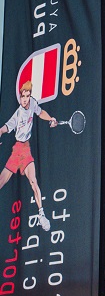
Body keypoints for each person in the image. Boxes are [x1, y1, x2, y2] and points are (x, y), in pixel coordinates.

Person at [0, 81, 60, 231]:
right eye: (23, 96)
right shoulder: (18, 114)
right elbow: (4, 128)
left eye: (27, 96)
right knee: (1, 181)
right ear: (20, 98)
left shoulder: (32, 103)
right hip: (17, 150)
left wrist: (51, 118)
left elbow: (41, 113)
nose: (25, 99)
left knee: (33, 181)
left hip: (26, 150)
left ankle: (41, 214)